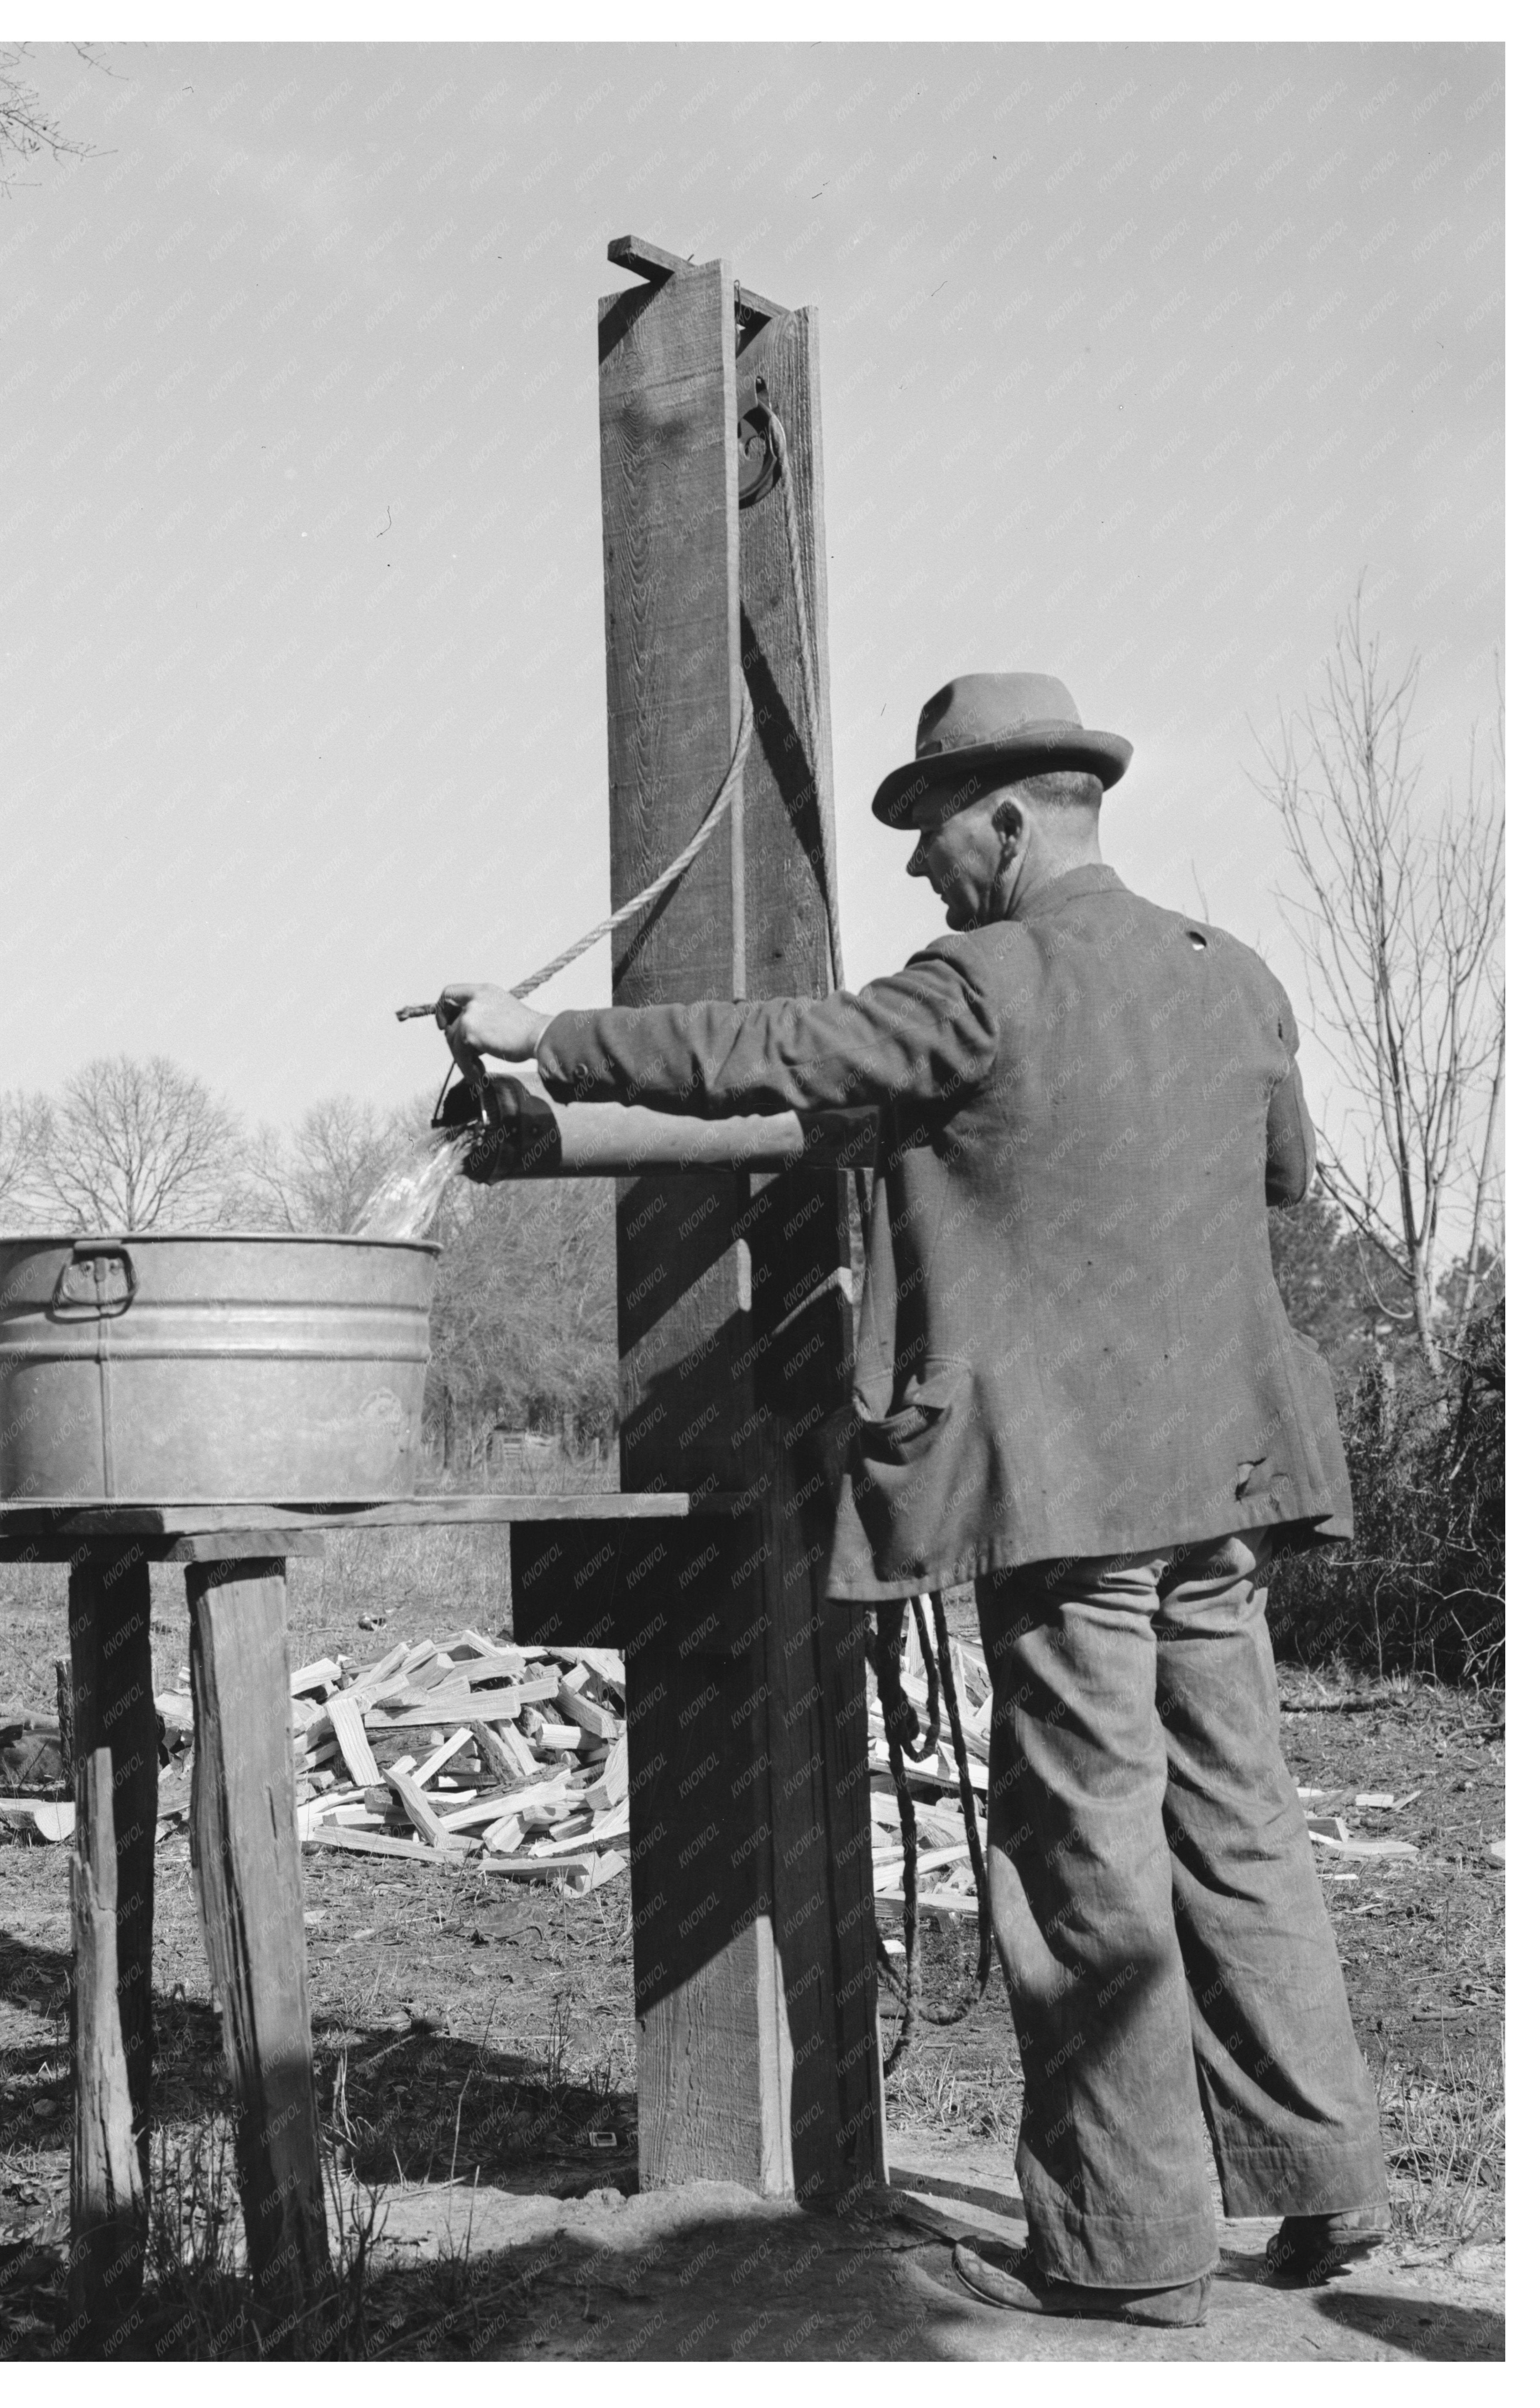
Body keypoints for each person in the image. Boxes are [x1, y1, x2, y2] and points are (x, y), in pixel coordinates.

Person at [440, 670, 1389, 2328]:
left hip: (1062, 1498)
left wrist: (551, 1036)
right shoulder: (1235, 981)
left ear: (1012, 816)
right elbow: (1282, 1182)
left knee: (1086, 1854)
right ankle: (1327, 2187)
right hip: (1227, 1485)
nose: (917, 870)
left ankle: (1125, 2245)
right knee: (1240, 1827)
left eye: (930, 830)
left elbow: (766, 1051)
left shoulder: (979, 988)